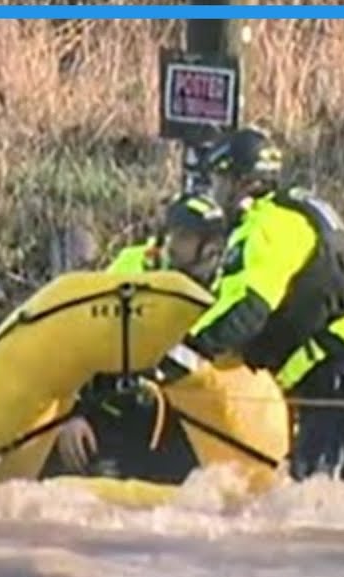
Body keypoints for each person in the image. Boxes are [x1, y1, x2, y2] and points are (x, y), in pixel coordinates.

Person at [146, 127, 344, 493]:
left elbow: (246, 308)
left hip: (342, 377)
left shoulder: (265, 224)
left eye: (219, 182)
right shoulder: (300, 214)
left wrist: (174, 357)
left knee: (317, 510)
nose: (216, 194)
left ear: (240, 183)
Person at [52, 192, 230, 481]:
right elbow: (81, 339)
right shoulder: (132, 267)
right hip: (110, 403)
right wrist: (72, 413)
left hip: (178, 418)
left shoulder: (224, 287)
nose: (209, 252)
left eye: (189, 240)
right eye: (179, 237)